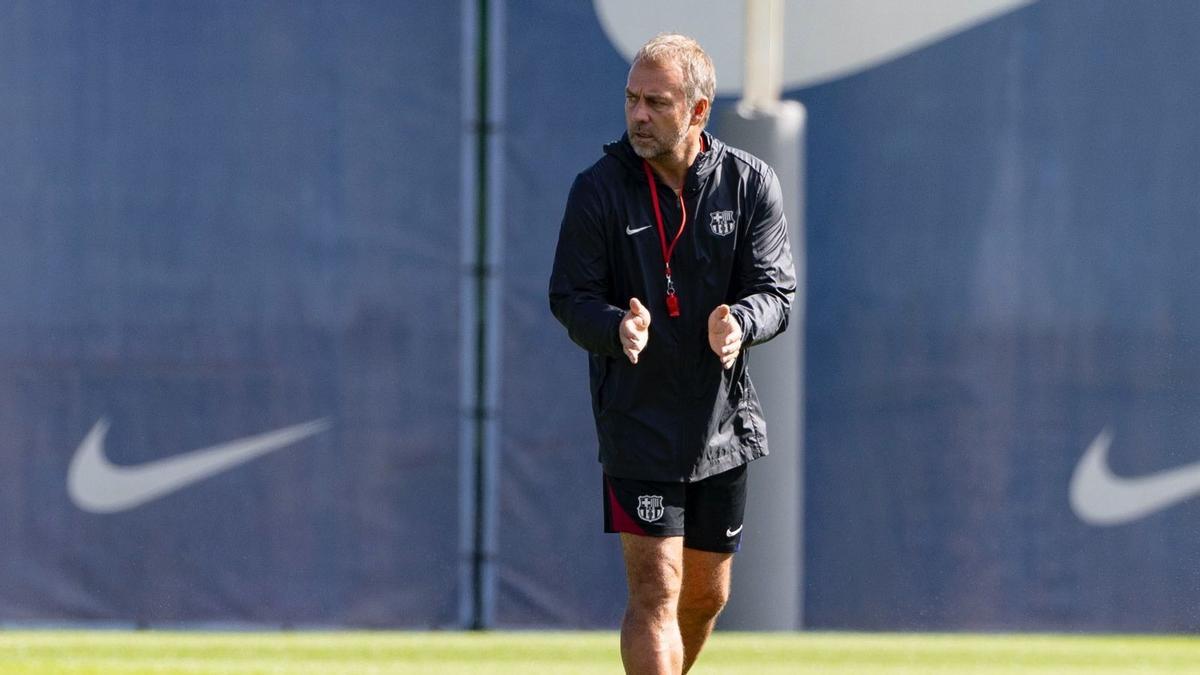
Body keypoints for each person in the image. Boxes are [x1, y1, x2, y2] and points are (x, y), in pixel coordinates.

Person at [548, 33, 796, 675]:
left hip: (723, 422)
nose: (637, 115)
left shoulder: (750, 182)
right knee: (654, 596)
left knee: (705, 596)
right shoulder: (597, 189)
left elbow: (777, 291)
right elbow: (569, 296)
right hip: (637, 420)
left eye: (656, 102)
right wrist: (613, 328)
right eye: (631, 98)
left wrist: (741, 321)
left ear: (698, 111)